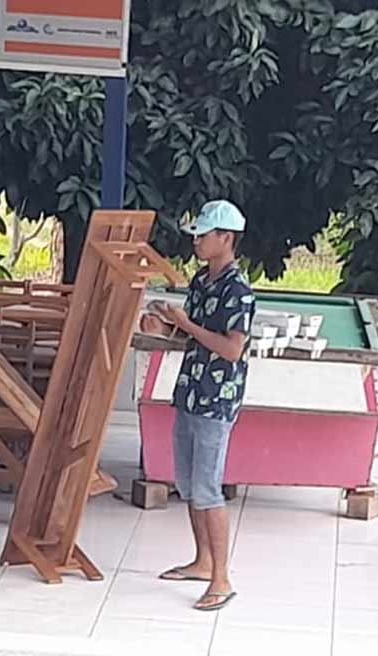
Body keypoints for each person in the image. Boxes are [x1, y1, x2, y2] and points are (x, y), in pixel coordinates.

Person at [144, 199, 255, 612]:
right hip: (190, 389)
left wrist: (186, 324)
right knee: (189, 484)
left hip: (215, 398)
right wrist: (165, 324)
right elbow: (193, 336)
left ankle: (222, 578)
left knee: (208, 488)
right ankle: (202, 561)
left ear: (225, 238)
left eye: (204, 234)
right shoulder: (200, 281)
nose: (196, 240)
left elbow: (230, 349)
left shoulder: (237, 291)